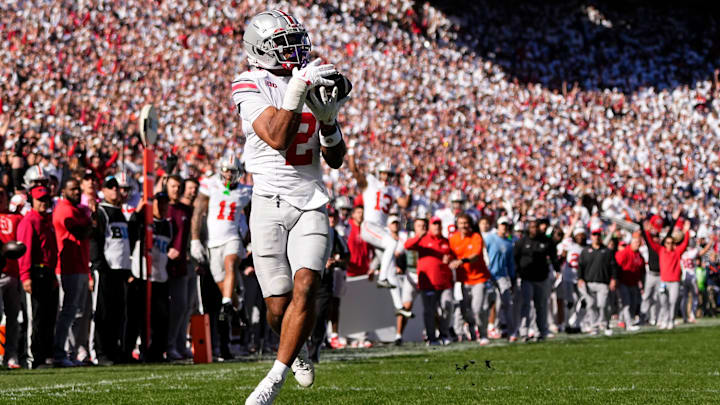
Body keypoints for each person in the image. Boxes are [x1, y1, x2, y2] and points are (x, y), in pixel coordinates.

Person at [234, 10, 348, 405]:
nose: (296, 50)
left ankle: (273, 380)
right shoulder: (249, 83)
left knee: (307, 285)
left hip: (310, 199)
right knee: (277, 307)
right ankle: (294, 350)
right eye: (285, 44)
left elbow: (334, 159)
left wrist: (330, 122)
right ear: (261, 48)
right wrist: (298, 89)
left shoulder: (308, 78)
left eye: (296, 41)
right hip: (267, 200)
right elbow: (278, 136)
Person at [191, 156, 252, 360]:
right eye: (226, 170)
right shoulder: (210, 185)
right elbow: (198, 212)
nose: (228, 175)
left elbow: (254, 217)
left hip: (232, 238)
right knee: (223, 282)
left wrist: (251, 241)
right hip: (212, 244)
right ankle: (237, 305)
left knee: (231, 263)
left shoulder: (245, 192)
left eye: (232, 171)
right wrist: (195, 240)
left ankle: (228, 302)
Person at [91, 176, 139, 364]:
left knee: (118, 313)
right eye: (112, 188)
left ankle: (114, 350)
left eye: (118, 188)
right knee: (103, 313)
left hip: (121, 269)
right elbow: (96, 238)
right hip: (106, 269)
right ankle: (100, 352)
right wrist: (99, 264)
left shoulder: (121, 212)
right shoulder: (102, 211)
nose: (116, 191)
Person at [349, 156, 409, 289]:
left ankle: (399, 306)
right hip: (370, 225)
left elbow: (404, 203)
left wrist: (408, 188)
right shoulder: (370, 182)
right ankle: (382, 278)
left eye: (389, 174)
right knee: (392, 243)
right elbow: (354, 171)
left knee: (392, 266)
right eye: (384, 173)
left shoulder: (393, 189)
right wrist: (352, 153)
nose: (386, 177)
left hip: (380, 229)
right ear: (378, 173)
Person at [52, 178, 93, 367]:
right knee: (69, 311)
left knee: (80, 312)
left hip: (81, 265)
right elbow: (80, 230)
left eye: (78, 189)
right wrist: (89, 218)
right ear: (64, 190)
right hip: (69, 267)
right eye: (73, 189)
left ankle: (74, 352)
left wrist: (87, 218)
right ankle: (62, 352)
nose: (77, 192)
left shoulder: (78, 209)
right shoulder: (64, 208)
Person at [127, 192, 172, 362]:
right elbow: (132, 226)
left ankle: (157, 352)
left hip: (160, 277)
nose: (162, 207)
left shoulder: (168, 226)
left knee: (160, 319)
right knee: (137, 317)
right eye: (158, 203)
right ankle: (132, 350)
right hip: (142, 275)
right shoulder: (144, 223)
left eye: (165, 204)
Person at [17, 186, 58, 368]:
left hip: (47, 272)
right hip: (35, 271)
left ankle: (45, 354)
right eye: (40, 199)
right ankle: (32, 357)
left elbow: (51, 250)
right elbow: (24, 251)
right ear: (32, 201)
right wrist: (26, 276)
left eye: (46, 199)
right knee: (34, 317)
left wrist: (54, 273)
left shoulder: (46, 221)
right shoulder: (29, 221)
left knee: (47, 315)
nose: (43, 203)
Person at [404, 216, 453, 346]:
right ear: (430, 227)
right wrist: (419, 236)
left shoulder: (445, 241)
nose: (436, 227)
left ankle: (444, 334)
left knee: (447, 306)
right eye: (434, 224)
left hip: (444, 281)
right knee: (429, 311)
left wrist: (450, 260)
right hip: (428, 283)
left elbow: (452, 257)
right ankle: (432, 337)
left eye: (438, 224)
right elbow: (407, 245)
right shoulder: (423, 239)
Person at [308, 207, 348, 363]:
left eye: (332, 216)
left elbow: (346, 258)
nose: (330, 219)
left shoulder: (335, 234)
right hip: (306, 277)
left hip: (324, 280)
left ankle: (315, 346)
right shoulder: (308, 230)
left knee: (320, 314)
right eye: (328, 216)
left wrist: (335, 262)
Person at [448, 213, 492, 345]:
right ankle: (471, 330)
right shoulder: (453, 239)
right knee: (464, 310)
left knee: (477, 308)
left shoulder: (476, 237)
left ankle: (483, 334)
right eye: (461, 223)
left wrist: (462, 261)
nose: (463, 226)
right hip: (462, 280)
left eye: (466, 223)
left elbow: (476, 255)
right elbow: (448, 255)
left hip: (478, 278)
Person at [513, 218, 558, 341]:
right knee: (526, 305)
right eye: (532, 227)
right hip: (526, 278)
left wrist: (557, 269)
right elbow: (515, 259)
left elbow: (553, 257)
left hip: (542, 277)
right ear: (528, 228)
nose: (534, 229)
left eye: (536, 227)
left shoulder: (547, 241)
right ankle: (524, 331)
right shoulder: (521, 242)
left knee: (541, 305)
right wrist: (517, 274)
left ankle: (541, 331)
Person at [643, 219, 691, 329]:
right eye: (668, 243)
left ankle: (671, 320)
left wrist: (687, 231)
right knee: (663, 302)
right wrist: (647, 231)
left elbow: (685, 243)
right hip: (663, 281)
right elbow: (650, 243)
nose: (669, 245)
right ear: (665, 243)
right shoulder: (661, 250)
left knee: (673, 302)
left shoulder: (677, 252)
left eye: (672, 243)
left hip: (674, 281)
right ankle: (664, 320)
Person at [165, 175, 194, 360]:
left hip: (182, 264)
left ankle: (178, 343)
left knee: (182, 306)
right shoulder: (163, 207)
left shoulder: (185, 210)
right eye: (172, 186)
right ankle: (167, 344)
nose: (176, 189)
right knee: (168, 307)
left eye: (178, 186)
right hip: (165, 264)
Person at [577, 227, 618, 336]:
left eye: (598, 235)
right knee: (590, 305)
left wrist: (613, 279)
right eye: (594, 235)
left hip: (603, 282)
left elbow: (613, 267)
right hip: (589, 282)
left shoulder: (607, 251)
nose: (596, 237)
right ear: (591, 237)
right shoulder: (586, 251)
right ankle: (594, 325)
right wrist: (580, 278)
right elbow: (580, 266)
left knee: (602, 305)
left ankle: (605, 324)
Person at [483, 216, 517, 341]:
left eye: (506, 225)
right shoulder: (490, 238)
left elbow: (510, 263)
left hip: (502, 276)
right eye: (502, 224)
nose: (504, 227)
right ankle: (491, 327)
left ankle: (511, 331)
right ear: (498, 225)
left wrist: (512, 278)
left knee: (507, 302)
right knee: (491, 302)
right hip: (489, 275)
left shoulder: (509, 244)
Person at [0, 185, 23, 368]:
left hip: (13, 273)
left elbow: (24, 241)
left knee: (13, 317)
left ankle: (11, 354)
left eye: (2, 194)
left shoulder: (16, 217)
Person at [614, 234, 645, 331]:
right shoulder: (624, 253)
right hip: (624, 282)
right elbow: (616, 266)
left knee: (633, 303)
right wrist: (616, 279)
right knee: (626, 303)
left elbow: (641, 269)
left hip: (634, 283)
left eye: (638, 243)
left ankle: (628, 321)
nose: (637, 244)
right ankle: (628, 324)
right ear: (631, 243)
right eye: (635, 242)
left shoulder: (639, 255)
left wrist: (641, 282)